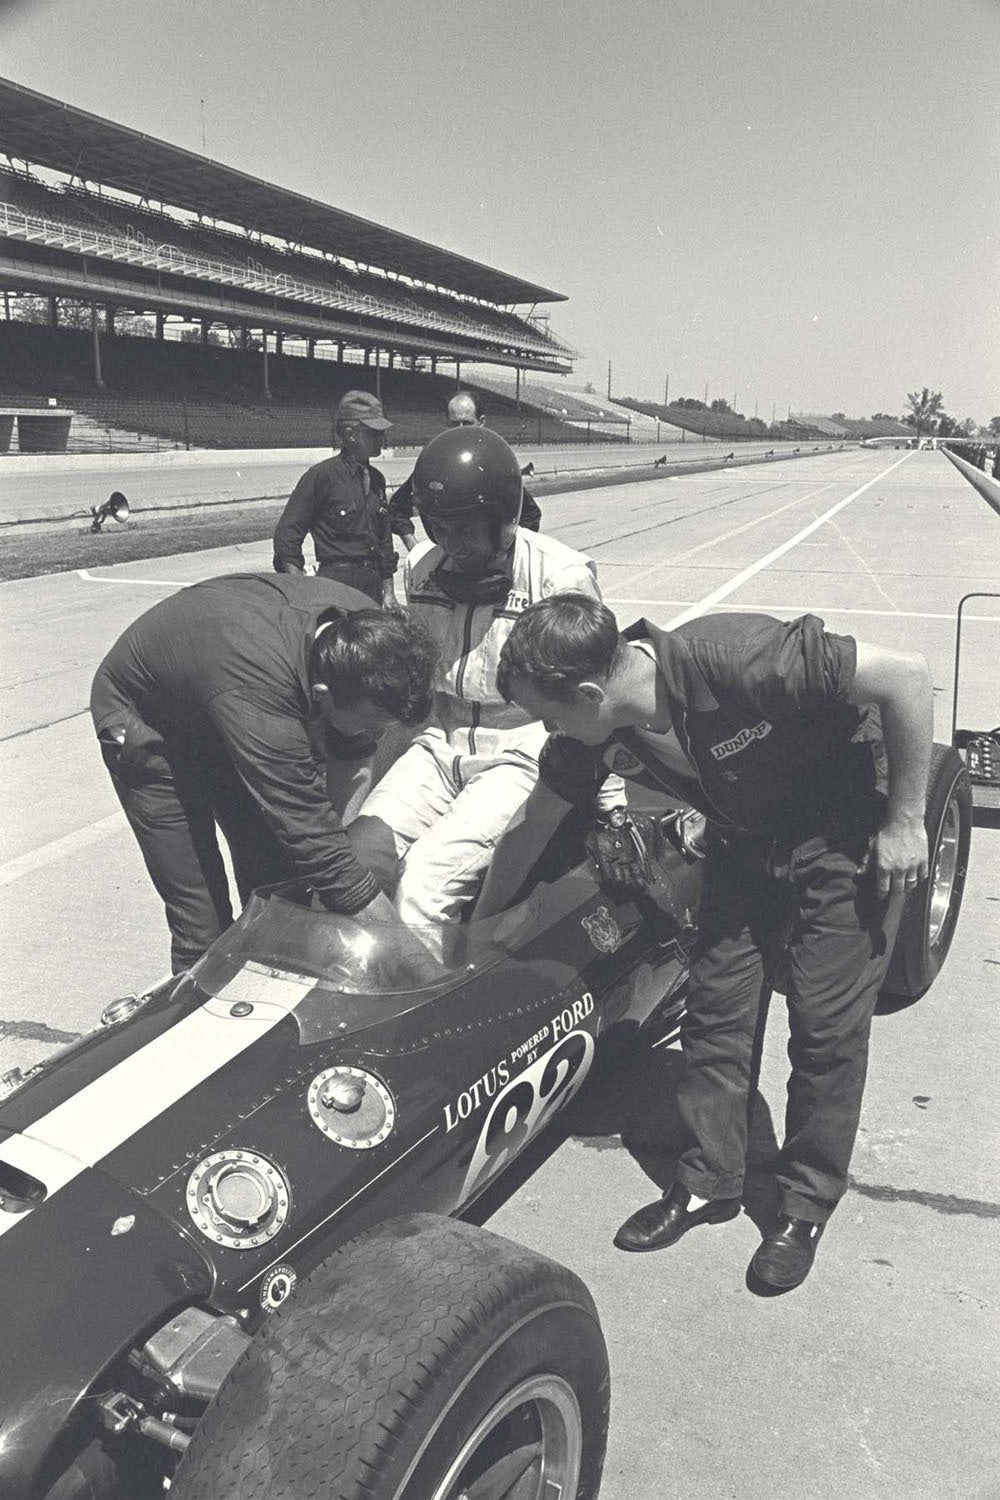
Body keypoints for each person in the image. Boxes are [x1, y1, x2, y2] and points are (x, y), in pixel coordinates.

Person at [488, 593, 933, 1290]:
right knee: (716, 1011)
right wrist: (479, 938)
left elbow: (905, 676)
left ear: (587, 691)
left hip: (841, 831)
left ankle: (802, 1205)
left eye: (550, 715)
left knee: (824, 1026)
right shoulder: (593, 733)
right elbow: (530, 827)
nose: (549, 731)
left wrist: (906, 821)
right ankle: (709, 1182)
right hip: (743, 842)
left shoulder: (734, 658)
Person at [91, 572, 437, 973]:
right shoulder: (265, 704)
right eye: (368, 726)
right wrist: (419, 968)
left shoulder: (366, 636)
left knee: (279, 889)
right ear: (322, 697)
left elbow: (349, 763)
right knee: (202, 920)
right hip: (146, 721)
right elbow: (318, 846)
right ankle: (199, 1006)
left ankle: (268, 990)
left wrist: (335, 864)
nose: (373, 738)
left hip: (222, 689)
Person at [352, 427, 611, 929]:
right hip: (438, 744)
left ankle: (424, 1003)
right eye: (439, 528)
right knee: (359, 864)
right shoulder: (420, 568)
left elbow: (598, 698)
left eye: (466, 530)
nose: (452, 545)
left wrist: (610, 804)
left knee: (421, 892)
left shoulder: (559, 577)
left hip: (520, 753)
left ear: (503, 519)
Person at [273, 389, 398, 606]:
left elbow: (384, 540)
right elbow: (288, 534)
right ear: (350, 435)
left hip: (372, 586)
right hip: (337, 585)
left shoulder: (377, 479)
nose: (382, 439)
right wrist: (300, 587)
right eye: (374, 433)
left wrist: (388, 592)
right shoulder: (322, 476)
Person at [388, 390, 542, 552]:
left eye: (467, 423)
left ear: (481, 422)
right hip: (451, 560)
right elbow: (397, 508)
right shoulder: (436, 463)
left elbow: (530, 515)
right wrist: (416, 549)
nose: (460, 430)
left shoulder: (493, 463)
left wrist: (507, 552)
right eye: (454, 424)